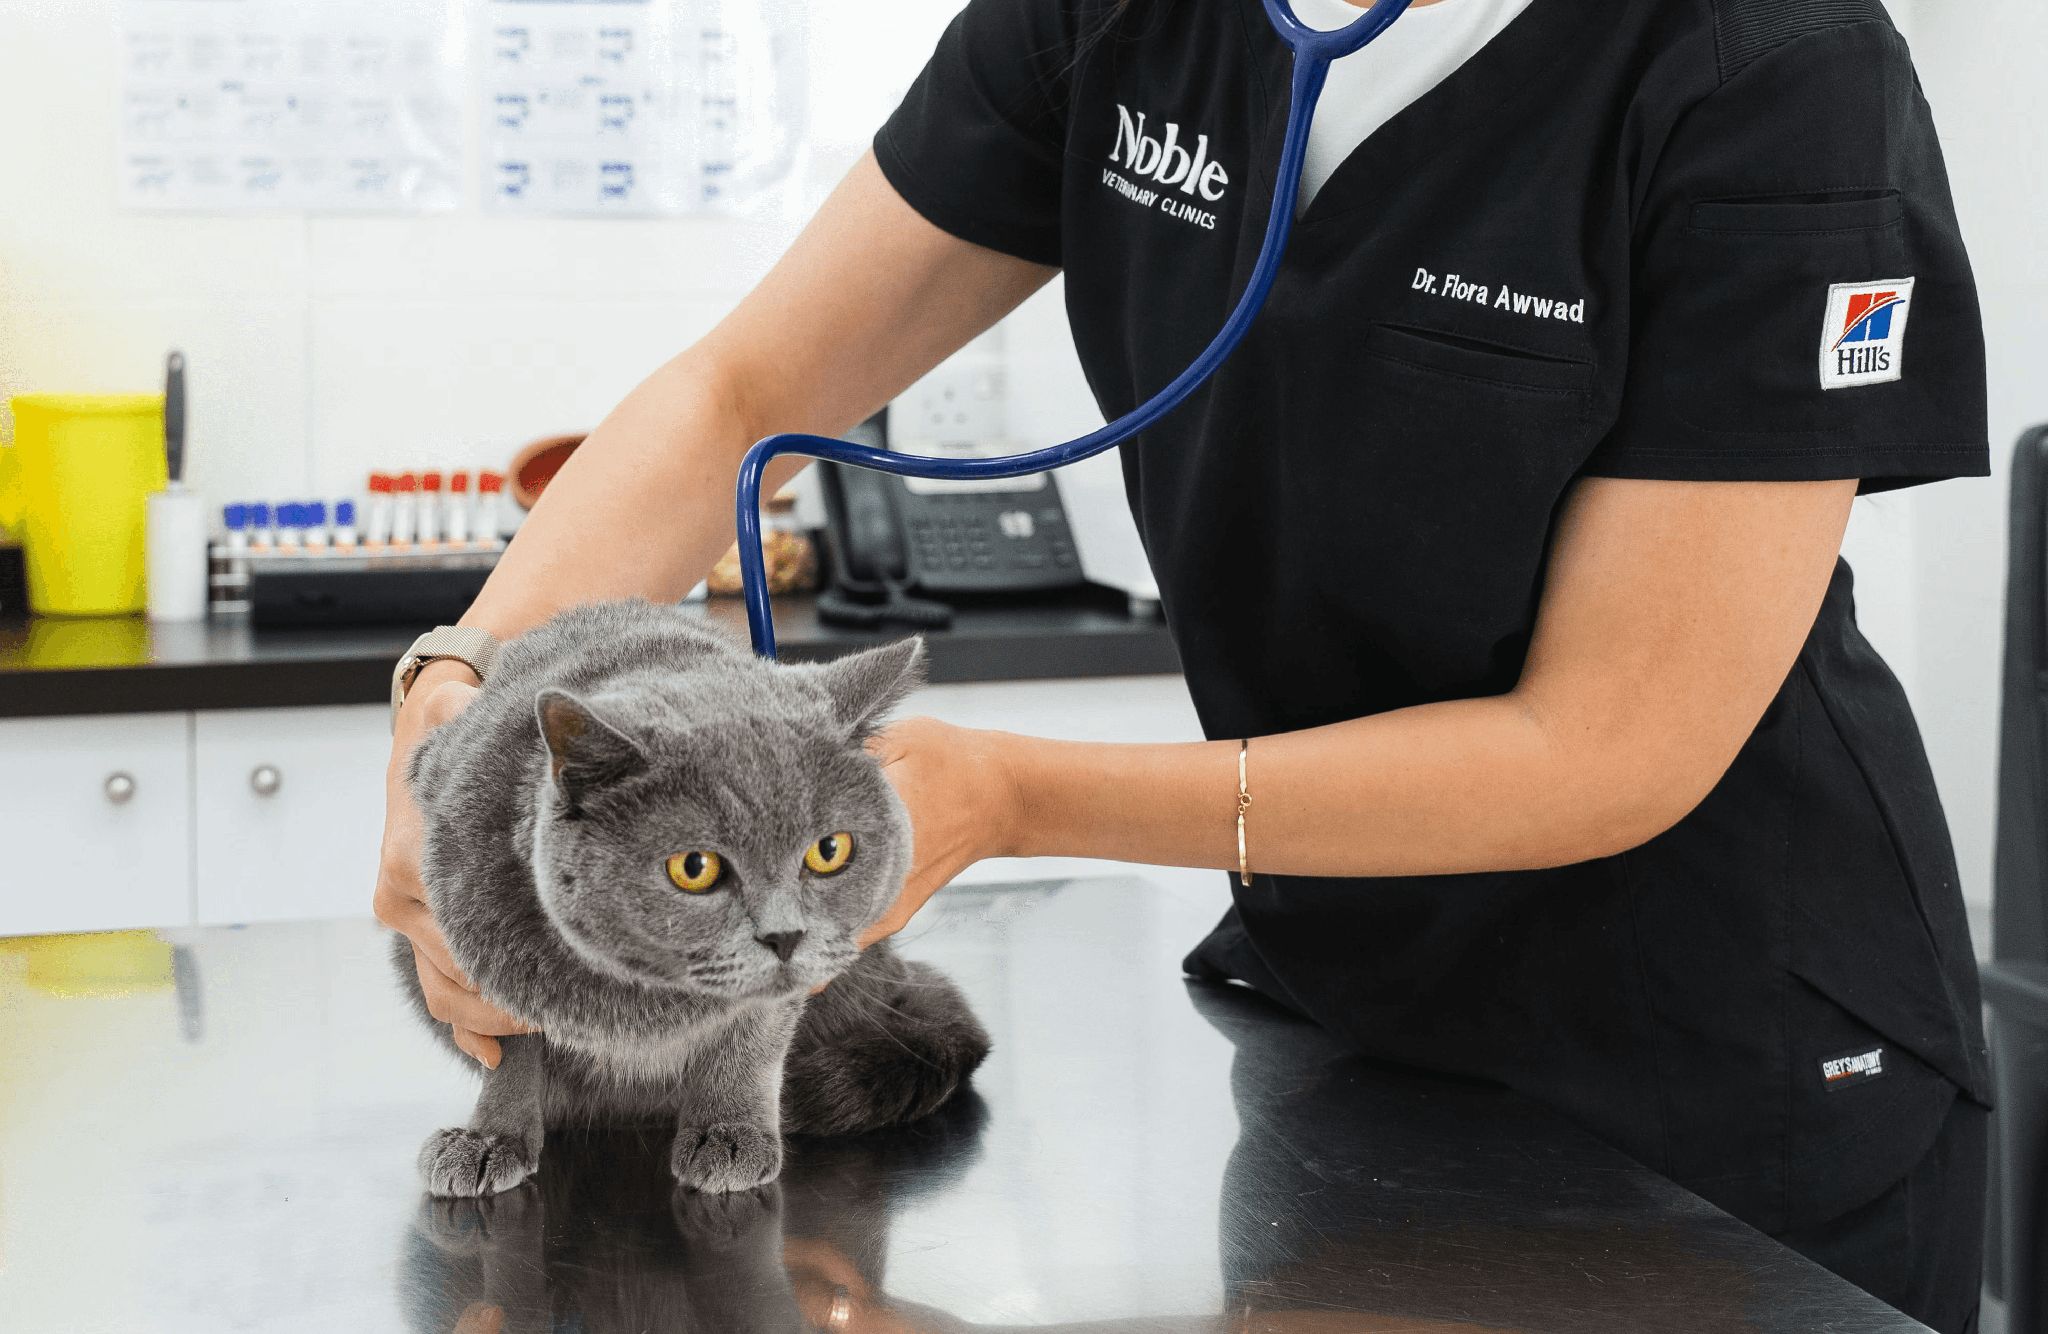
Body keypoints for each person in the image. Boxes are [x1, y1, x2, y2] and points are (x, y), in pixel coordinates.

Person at [373, 0, 1993, 1327]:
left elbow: (1614, 741)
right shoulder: (1119, 19)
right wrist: (459, 706)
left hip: (1720, 1064)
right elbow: (739, 389)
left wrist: (1008, 791)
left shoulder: (1772, 71)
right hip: (1359, 1033)